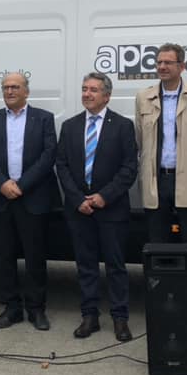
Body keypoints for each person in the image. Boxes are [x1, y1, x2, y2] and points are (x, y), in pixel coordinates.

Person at [134, 43, 187, 336]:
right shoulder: (144, 97)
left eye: (168, 62)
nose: (162, 67)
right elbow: (140, 139)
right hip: (157, 183)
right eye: (159, 62)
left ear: (182, 66)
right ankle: (162, 312)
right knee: (157, 250)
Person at [56, 73, 138, 342]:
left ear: (107, 96)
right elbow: (62, 166)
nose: (87, 94)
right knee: (86, 264)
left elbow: (129, 167)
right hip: (79, 209)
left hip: (111, 209)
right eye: (84, 89)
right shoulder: (70, 126)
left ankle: (120, 318)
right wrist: (77, 199)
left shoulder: (123, 126)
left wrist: (104, 196)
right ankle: (89, 316)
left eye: (93, 90)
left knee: (116, 266)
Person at [0, 72, 58, 331]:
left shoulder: (44, 118)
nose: (9, 91)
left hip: (32, 197)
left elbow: (48, 156)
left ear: (26, 91)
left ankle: (36, 309)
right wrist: (2, 183)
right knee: (3, 256)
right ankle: (11, 308)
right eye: (5, 87)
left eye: (15, 87)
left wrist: (21, 185)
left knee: (35, 256)